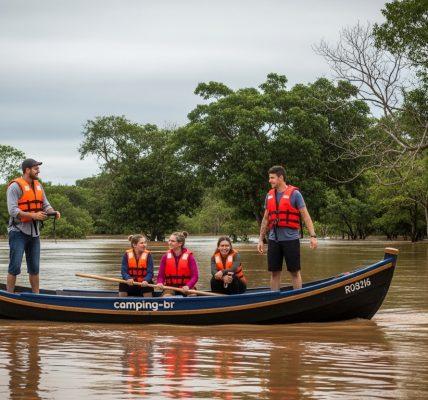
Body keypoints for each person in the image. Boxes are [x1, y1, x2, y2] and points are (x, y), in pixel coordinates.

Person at [257, 165, 317, 291]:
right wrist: (260, 239)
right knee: (274, 273)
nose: (270, 180)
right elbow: (266, 219)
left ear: (281, 177)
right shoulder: (269, 195)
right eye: (269, 178)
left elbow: (305, 216)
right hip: (274, 240)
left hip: (291, 240)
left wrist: (313, 236)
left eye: (272, 178)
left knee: (294, 272)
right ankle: (274, 300)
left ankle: (298, 298)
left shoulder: (295, 194)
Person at [6, 158, 60, 293]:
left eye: (38, 168)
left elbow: (45, 205)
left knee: (34, 268)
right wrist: (33, 215)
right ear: (27, 170)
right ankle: (9, 296)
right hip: (17, 232)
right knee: (15, 266)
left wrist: (53, 212)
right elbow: (13, 211)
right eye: (36, 168)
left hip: (34, 234)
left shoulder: (38, 185)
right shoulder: (15, 186)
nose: (38, 171)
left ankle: (37, 297)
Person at [156, 231, 198, 296]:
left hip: (186, 287)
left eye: (172, 241)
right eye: (169, 240)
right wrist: (160, 282)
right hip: (170, 287)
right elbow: (160, 275)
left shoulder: (190, 257)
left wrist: (188, 286)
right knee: (167, 297)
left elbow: (195, 276)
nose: (169, 243)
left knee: (192, 295)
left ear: (180, 243)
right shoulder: (165, 256)